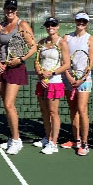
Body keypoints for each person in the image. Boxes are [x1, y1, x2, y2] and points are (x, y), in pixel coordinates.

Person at [0, 0, 36, 155]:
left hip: (16, 68)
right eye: (7, 9)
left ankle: (17, 140)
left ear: (16, 10)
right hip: (1, 68)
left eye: (12, 9)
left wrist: (20, 59)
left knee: (10, 104)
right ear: (4, 9)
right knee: (6, 105)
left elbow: (33, 47)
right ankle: (12, 137)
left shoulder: (22, 25)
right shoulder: (0, 26)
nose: (9, 12)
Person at [61, 12, 93, 155]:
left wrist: (82, 78)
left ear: (87, 23)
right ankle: (76, 140)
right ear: (75, 21)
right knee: (73, 110)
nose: (80, 23)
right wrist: (68, 76)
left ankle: (85, 143)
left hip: (84, 80)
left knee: (82, 110)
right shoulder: (67, 38)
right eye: (78, 20)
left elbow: (91, 63)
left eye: (83, 21)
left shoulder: (90, 39)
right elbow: (64, 60)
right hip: (68, 79)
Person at [33, 17, 70, 155]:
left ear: (58, 26)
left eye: (53, 25)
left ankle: (53, 143)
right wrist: (40, 75)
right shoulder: (42, 43)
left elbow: (66, 64)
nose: (50, 27)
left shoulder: (62, 43)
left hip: (55, 82)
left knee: (53, 113)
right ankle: (47, 138)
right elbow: (37, 61)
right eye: (48, 25)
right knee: (45, 112)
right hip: (42, 82)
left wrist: (52, 73)